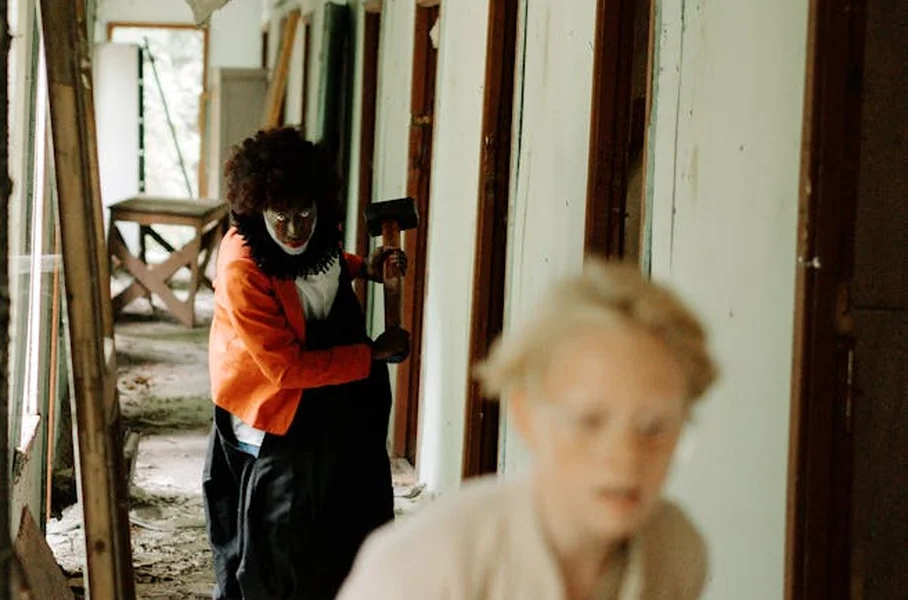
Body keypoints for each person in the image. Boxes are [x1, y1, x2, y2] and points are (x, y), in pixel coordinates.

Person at [337, 261, 719, 600]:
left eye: (654, 427)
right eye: (589, 421)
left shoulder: (675, 553)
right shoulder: (423, 568)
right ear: (527, 417)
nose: (626, 457)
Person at [202, 126, 409, 600]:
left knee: (345, 509)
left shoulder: (319, 227)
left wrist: (367, 268)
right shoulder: (243, 267)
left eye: (304, 215)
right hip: (270, 400)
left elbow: (325, 262)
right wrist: (372, 353)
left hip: (324, 383)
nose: (294, 230)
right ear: (258, 211)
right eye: (281, 220)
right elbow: (287, 370)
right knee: (278, 539)